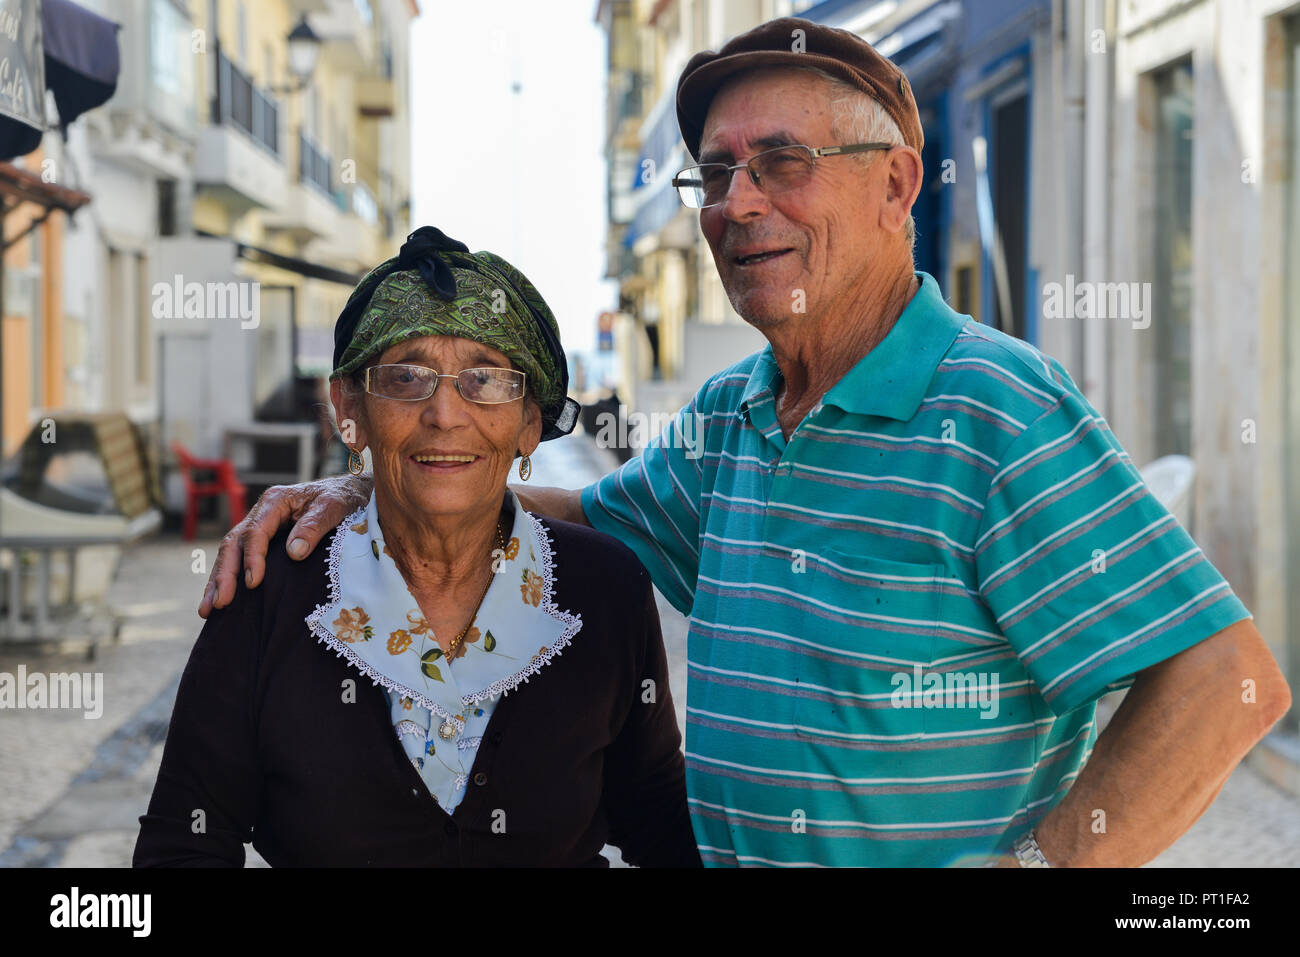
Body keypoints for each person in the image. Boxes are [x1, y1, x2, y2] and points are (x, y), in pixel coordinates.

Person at [199, 20, 1291, 868]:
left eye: (780, 162)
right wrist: (371, 490)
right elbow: (577, 519)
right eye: (715, 174)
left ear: (897, 184)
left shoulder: (991, 409)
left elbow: (1225, 680)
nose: (736, 202)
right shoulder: (736, 415)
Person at [137, 227, 699, 867]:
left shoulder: (604, 586)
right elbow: (182, 843)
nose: (445, 414)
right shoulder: (273, 588)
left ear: (530, 424)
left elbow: (656, 812)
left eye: (485, 379)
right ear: (350, 408)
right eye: (406, 377)